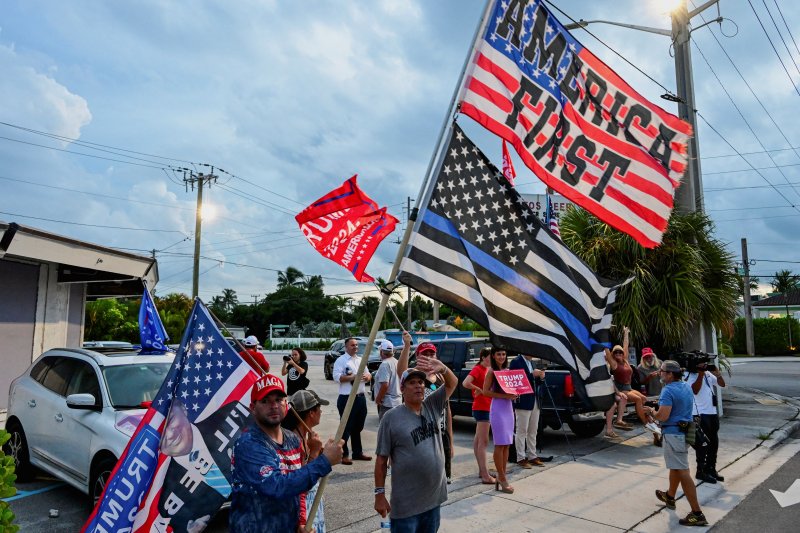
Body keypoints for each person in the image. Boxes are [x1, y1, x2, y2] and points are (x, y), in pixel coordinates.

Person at [229, 374, 343, 533]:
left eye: (278, 400)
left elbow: (299, 488)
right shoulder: (248, 443)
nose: (273, 405)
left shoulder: (292, 439)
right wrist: (324, 461)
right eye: (265, 401)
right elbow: (276, 486)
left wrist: (301, 522)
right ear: (252, 408)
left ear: (286, 404)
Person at [374, 356, 458, 532]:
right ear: (402, 388)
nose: (419, 385)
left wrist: (443, 368)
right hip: (406, 507)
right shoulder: (391, 418)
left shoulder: (431, 405)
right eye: (412, 382)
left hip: (433, 501)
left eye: (421, 382)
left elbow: (452, 383)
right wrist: (379, 495)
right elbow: (381, 461)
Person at [646, 360, 709, 527]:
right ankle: (670, 496)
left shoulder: (667, 390)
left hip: (673, 434)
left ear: (670, 374)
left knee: (683, 471)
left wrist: (652, 411)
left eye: (662, 371)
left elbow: (663, 416)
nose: (660, 373)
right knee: (676, 467)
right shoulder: (686, 386)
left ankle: (697, 513)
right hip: (686, 432)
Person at [282, 389, 330, 533]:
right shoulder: (293, 441)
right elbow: (301, 482)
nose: (321, 412)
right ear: (311, 413)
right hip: (302, 510)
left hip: (311, 504)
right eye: (319, 408)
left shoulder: (303, 437)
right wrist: (315, 453)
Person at [482, 346, 517, 494]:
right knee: (499, 443)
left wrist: (516, 392)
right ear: (493, 356)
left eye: (504, 354)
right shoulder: (491, 371)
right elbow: (485, 391)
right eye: (499, 354)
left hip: (509, 409)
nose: (502, 357)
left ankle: (503, 475)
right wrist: (506, 396)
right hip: (498, 409)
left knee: (507, 444)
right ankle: (501, 477)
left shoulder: (508, 371)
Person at [333, 337, 372, 465]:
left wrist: (367, 376)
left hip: (360, 397)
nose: (355, 347)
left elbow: (368, 374)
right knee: (346, 427)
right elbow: (337, 377)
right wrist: (354, 377)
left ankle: (357, 452)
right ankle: (343, 455)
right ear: (346, 347)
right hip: (347, 397)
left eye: (356, 345)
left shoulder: (361, 360)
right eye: (352, 345)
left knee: (358, 427)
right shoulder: (341, 360)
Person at [686, 361, 726, 484]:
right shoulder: (688, 375)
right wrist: (700, 374)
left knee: (714, 442)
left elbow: (722, 384)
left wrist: (718, 374)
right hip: (699, 413)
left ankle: (711, 468)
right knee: (702, 443)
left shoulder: (708, 373)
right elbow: (695, 390)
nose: (704, 365)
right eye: (702, 362)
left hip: (712, 412)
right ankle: (700, 471)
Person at [605, 327, 651, 431]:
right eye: (616, 352)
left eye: (620, 352)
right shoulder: (614, 364)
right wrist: (603, 334)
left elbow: (625, 345)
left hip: (628, 387)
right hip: (621, 388)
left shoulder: (625, 360)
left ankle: (644, 416)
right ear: (613, 354)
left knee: (644, 399)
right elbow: (607, 352)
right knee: (638, 399)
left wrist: (626, 332)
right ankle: (644, 422)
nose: (618, 354)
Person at [462, 347, 496, 484]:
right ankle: (485, 475)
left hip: (486, 406)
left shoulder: (488, 369)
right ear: (483, 357)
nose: (491, 360)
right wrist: (478, 389)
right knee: (484, 442)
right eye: (489, 357)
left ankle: (482, 470)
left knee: (478, 441)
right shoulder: (478, 369)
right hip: (482, 407)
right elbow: (465, 383)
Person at [509, 352, 546, 468]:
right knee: (521, 430)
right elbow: (517, 380)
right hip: (523, 400)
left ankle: (532, 455)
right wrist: (532, 375)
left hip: (535, 400)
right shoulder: (516, 362)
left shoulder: (532, 362)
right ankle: (520, 457)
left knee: (533, 430)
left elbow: (536, 382)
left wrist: (541, 377)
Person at [374, 339, 402, 422]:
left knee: (385, 431)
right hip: (398, 401)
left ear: (382, 352)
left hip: (387, 404)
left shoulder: (385, 364)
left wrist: (378, 399)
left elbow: (385, 385)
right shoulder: (397, 362)